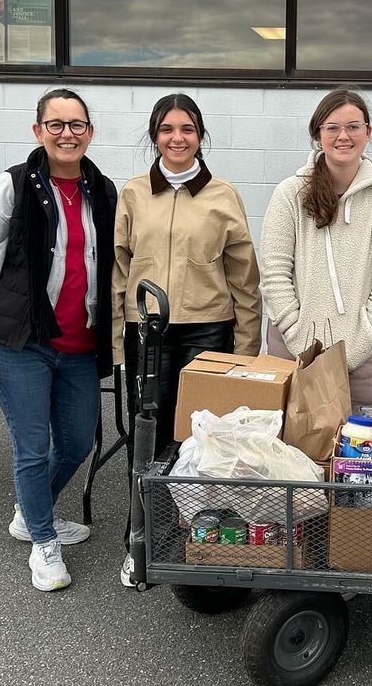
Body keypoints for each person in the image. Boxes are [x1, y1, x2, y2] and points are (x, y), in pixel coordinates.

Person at [0, 88, 117, 592]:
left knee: (75, 442)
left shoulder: (102, 189)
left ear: (90, 132)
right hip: (19, 340)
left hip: (79, 343)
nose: (67, 133)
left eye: (76, 125)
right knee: (31, 446)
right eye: (56, 124)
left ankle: (30, 514)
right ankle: (43, 541)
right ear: (38, 130)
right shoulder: (14, 186)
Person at [112, 93, 262, 584]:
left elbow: (245, 277)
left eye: (188, 129)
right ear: (155, 135)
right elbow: (119, 270)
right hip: (148, 331)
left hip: (207, 329)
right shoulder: (133, 193)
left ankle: (198, 529)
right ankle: (143, 534)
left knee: (201, 434)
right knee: (148, 432)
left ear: (200, 136)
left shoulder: (222, 195)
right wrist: (118, 340)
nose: (177, 138)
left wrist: (245, 350)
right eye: (167, 129)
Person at [260, 87, 372, 411]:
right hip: (292, 348)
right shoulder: (289, 193)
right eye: (332, 127)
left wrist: (361, 339)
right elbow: (273, 271)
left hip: (366, 355)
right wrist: (298, 335)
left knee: (355, 452)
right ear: (318, 134)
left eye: (353, 126)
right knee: (290, 448)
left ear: (368, 132)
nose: (343, 136)